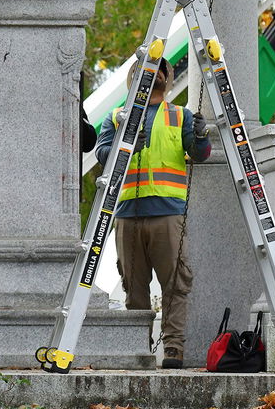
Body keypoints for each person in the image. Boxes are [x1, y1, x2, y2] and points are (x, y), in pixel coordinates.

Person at [94, 58, 211, 369]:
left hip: (167, 214)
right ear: (133, 76)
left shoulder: (180, 115)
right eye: (148, 68)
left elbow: (199, 155)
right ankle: (138, 349)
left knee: (175, 284)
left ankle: (173, 349)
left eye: (161, 68)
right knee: (134, 286)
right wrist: (126, 143)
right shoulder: (118, 118)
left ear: (168, 78)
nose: (155, 73)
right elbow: (103, 155)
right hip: (127, 214)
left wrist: (201, 136)